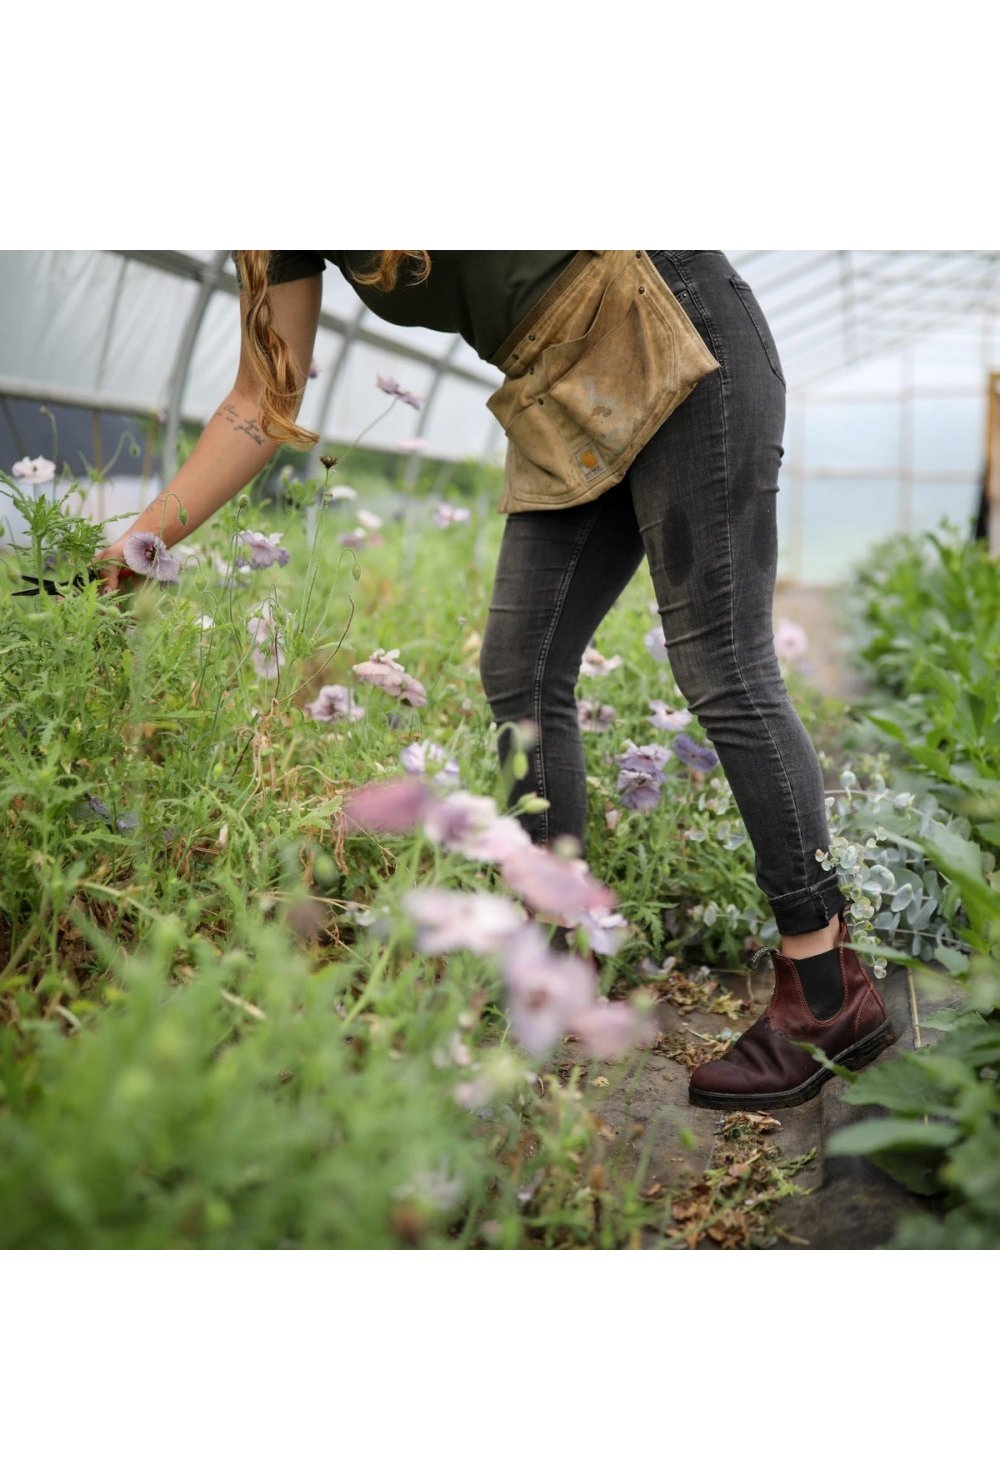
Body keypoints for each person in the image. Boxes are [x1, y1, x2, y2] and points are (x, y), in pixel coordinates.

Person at [93, 249, 893, 1110]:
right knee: (521, 668)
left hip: (662, 320)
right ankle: (559, 957)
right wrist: (143, 542)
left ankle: (824, 992)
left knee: (722, 664)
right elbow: (259, 404)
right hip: (560, 384)